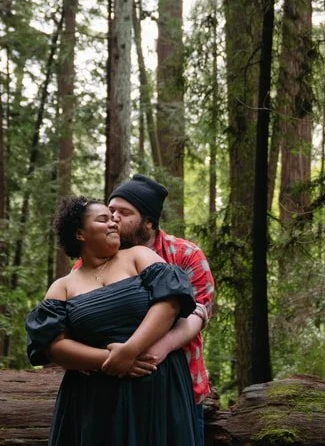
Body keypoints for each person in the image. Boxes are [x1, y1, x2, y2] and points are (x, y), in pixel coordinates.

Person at [26, 196, 199, 445]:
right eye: (103, 219)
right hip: (94, 400)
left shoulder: (139, 256)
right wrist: (110, 360)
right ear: (80, 233)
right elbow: (53, 345)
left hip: (156, 388)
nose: (114, 223)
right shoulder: (62, 286)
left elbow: (170, 304)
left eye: (113, 219)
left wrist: (130, 350)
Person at [107, 174, 216, 445]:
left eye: (124, 213)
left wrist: (160, 347)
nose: (114, 218)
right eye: (111, 211)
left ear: (149, 221)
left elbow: (199, 311)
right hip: (113, 392)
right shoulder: (98, 256)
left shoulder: (186, 255)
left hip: (182, 389)